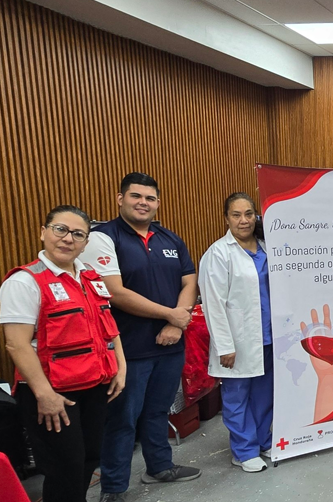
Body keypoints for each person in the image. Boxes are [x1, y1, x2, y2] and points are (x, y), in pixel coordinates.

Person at [80, 173, 201, 502]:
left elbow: (189, 281)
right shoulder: (103, 237)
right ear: (120, 199)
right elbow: (115, 292)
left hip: (170, 344)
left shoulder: (169, 238)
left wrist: (177, 323)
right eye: (136, 196)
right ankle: (114, 488)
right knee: (122, 419)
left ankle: (160, 467)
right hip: (128, 349)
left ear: (158, 203)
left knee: (158, 411)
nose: (143, 203)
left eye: (149, 198)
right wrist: (169, 315)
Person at [1, 205, 126, 502]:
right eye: (60, 229)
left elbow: (109, 328)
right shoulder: (24, 282)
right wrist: (45, 395)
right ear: (43, 232)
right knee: (64, 468)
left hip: (95, 386)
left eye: (78, 234)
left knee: (89, 458)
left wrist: (121, 368)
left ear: (85, 243)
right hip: (53, 393)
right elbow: (16, 344)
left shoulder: (91, 278)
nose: (68, 238)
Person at [198, 193, 273, 473]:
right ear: (226, 218)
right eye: (236, 215)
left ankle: (263, 440)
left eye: (249, 214)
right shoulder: (219, 253)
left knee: (264, 396)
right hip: (238, 341)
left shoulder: (266, 249)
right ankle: (243, 450)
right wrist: (224, 345)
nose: (244, 221)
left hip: (268, 338)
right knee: (237, 397)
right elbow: (213, 304)